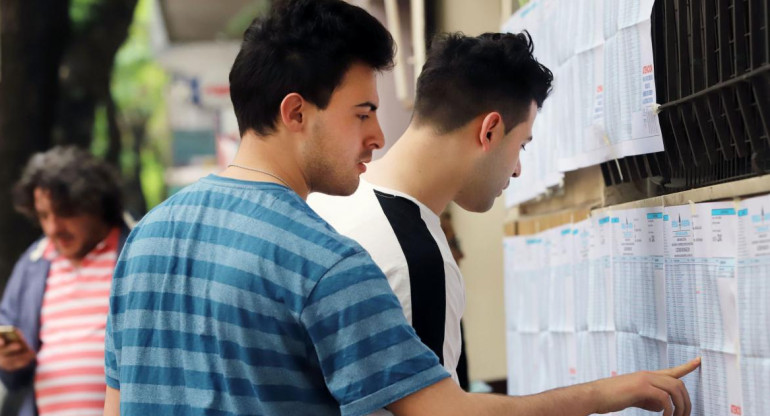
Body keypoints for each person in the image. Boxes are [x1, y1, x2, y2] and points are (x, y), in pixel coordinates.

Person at [105, 1, 699, 414]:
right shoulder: (325, 262)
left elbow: (116, 405)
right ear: (295, 113)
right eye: (363, 112)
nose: (376, 135)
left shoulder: (144, 240)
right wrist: (603, 395)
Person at [309, 31, 700, 416]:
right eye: (522, 145)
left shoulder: (329, 200)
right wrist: (603, 395)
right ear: (490, 130)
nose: (517, 170)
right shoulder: (416, 259)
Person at [0, 146, 130, 416]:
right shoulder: (33, 264)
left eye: (65, 212)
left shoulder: (135, 251)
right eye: (44, 215)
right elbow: (13, 380)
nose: (53, 228)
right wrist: (12, 361)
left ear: (96, 203)